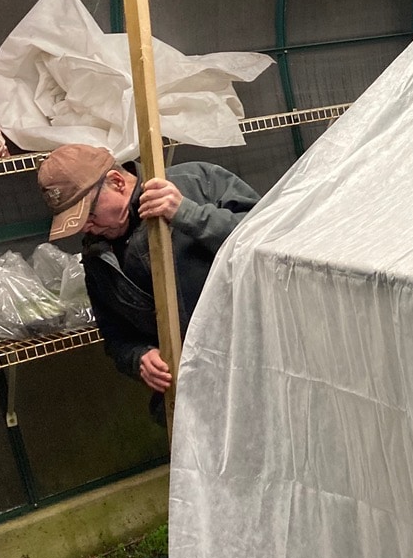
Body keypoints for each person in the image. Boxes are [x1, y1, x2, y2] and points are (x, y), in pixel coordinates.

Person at [36, 144, 259, 401]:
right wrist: (139, 356)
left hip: (257, 360)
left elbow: (270, 240)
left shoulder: (197, 182)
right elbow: (115, 335)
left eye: (89, 214)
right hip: (196, 393)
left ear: (117, 182)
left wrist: (189, 214)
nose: (86, 227)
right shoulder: (98, 255)